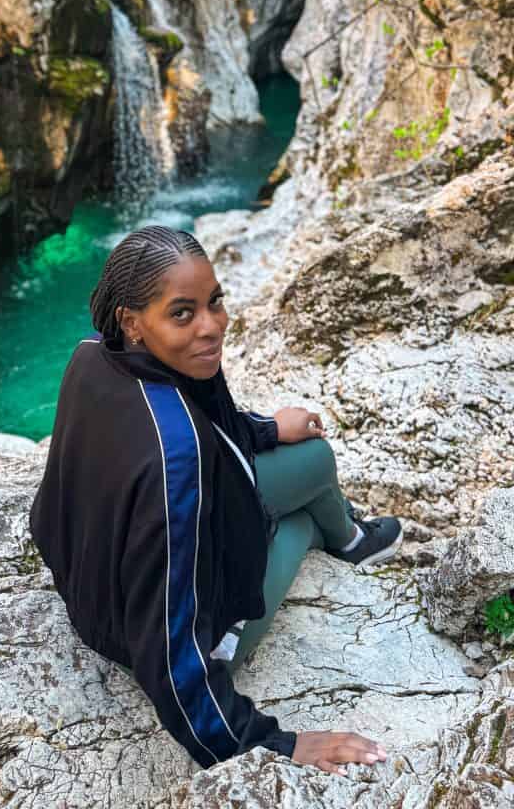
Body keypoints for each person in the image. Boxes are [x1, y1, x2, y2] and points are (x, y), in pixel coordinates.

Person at [29, 225, 402, 776]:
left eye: (215, 302)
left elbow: (207, 424)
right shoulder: (178, 460)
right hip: (146, 632)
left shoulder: (95, 356)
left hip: (91, 578)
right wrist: (273, 744)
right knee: (297, 523)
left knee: (314, 458)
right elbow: (169, 653)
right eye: (182, 313)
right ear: (133, 321)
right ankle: (336, 536)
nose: (211, 327)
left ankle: (348, 537)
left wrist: (269, 428)